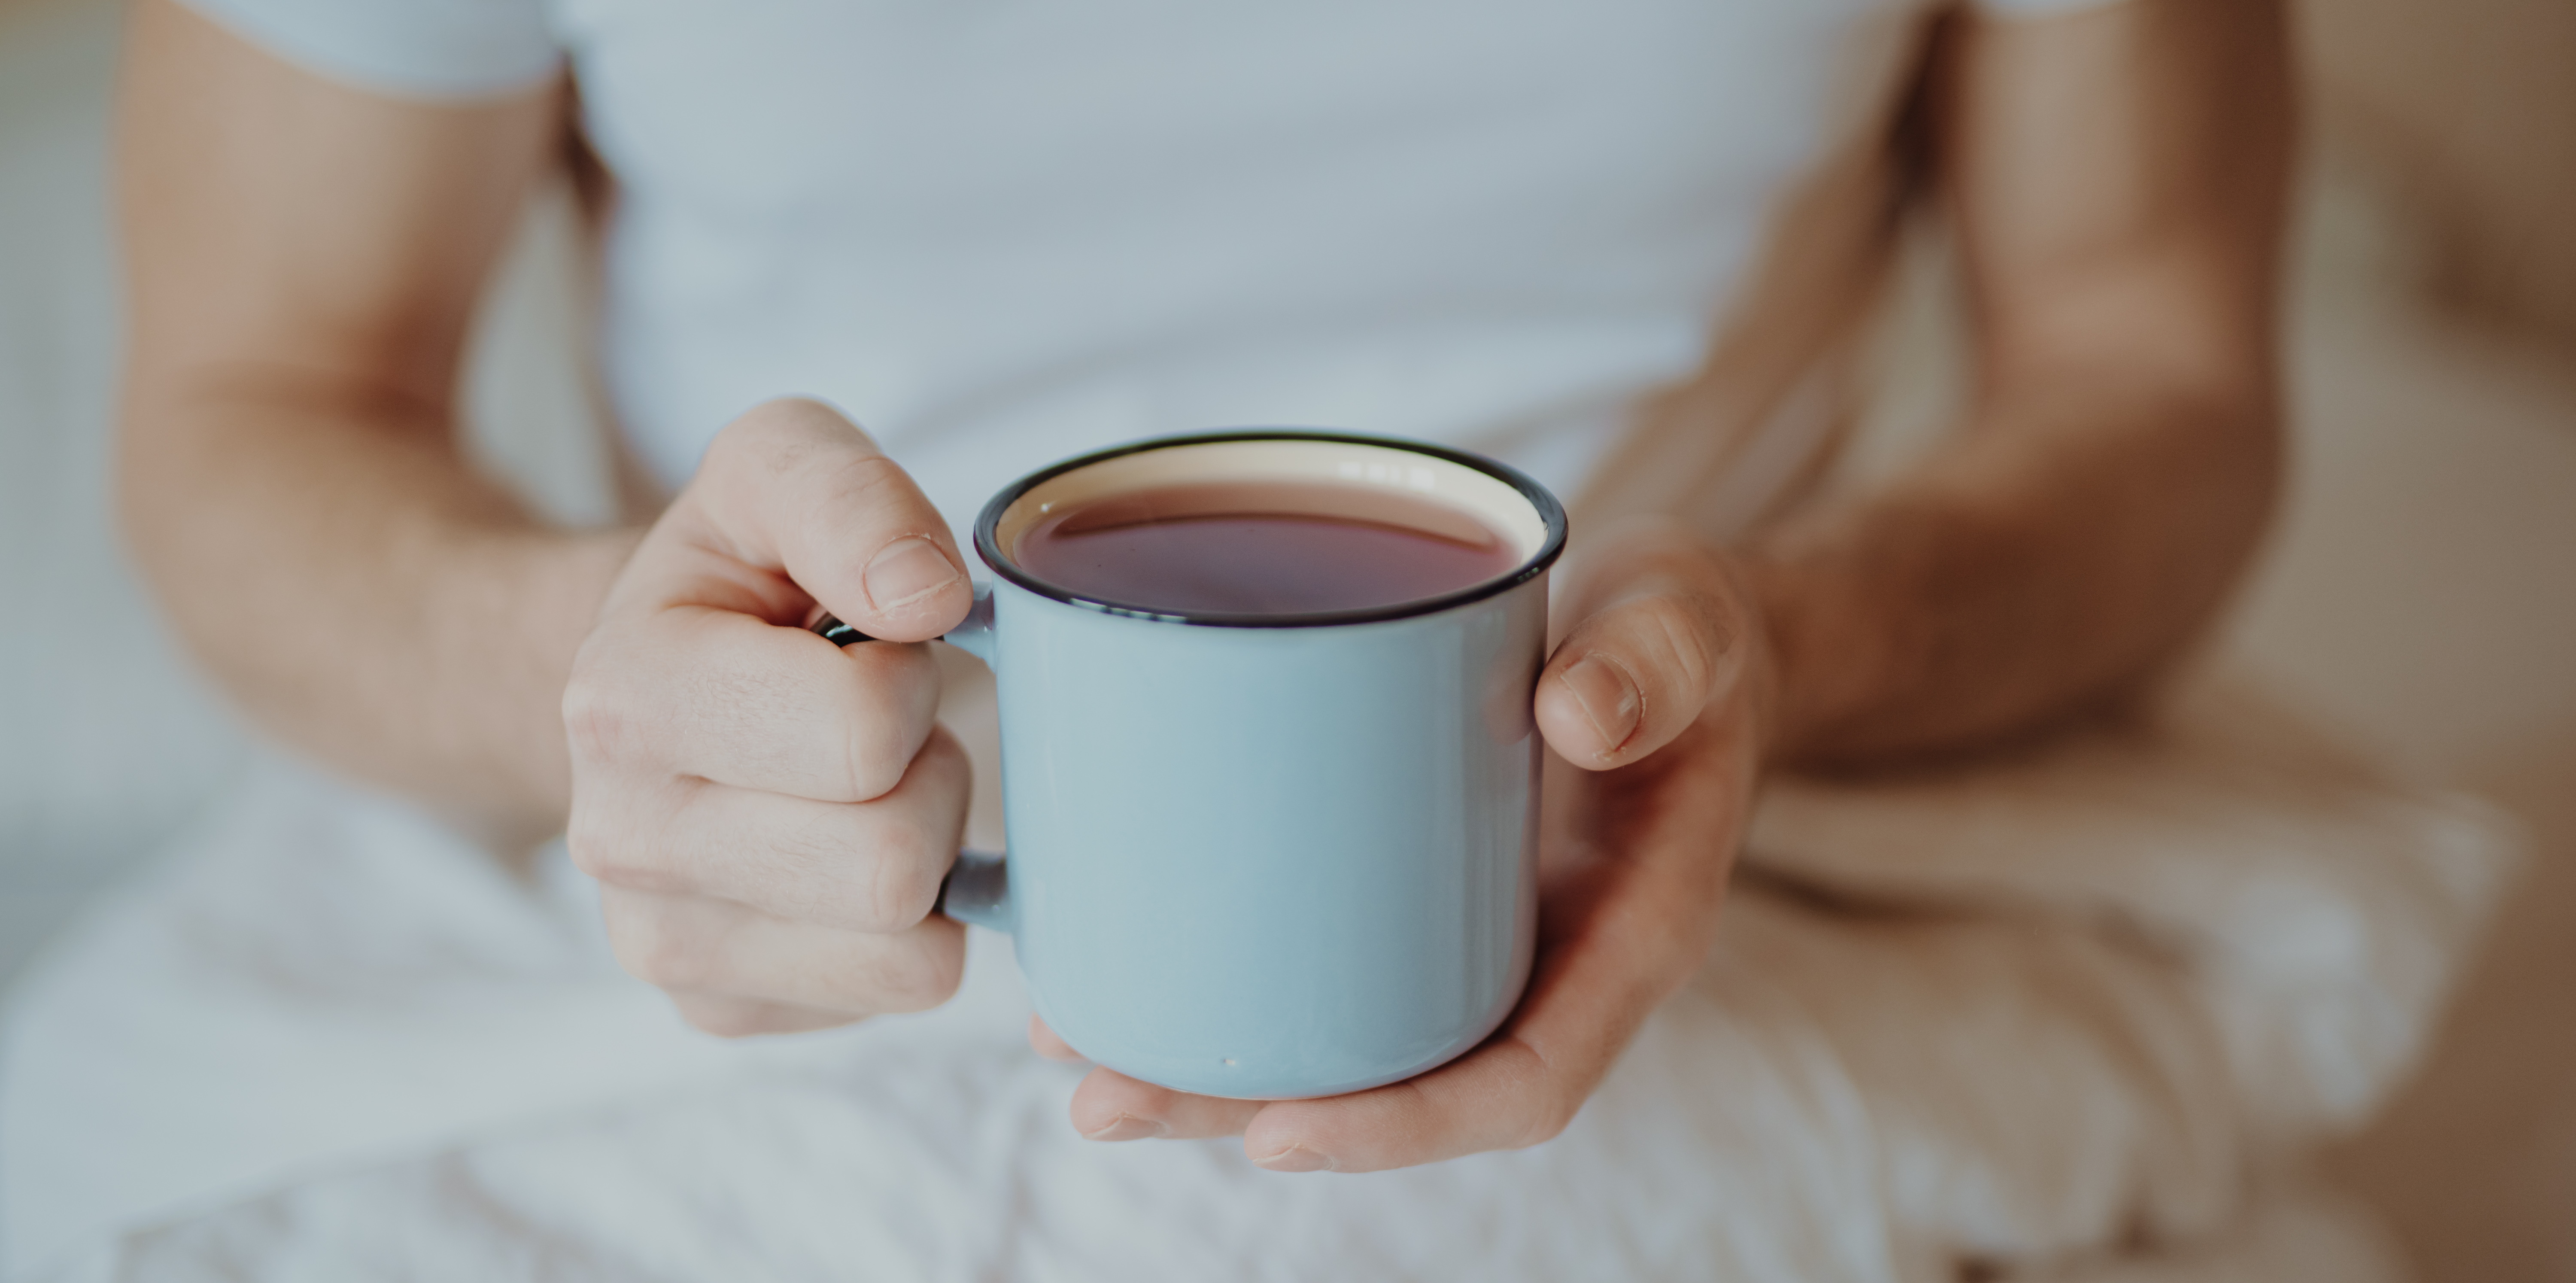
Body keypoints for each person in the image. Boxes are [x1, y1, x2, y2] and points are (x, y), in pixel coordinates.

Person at [106, 0, 2279, 1192]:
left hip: (1740, 869)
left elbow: (2156, 370)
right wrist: (621, 682)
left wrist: (1795, 644)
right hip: (688, 924)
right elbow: (256, 398)